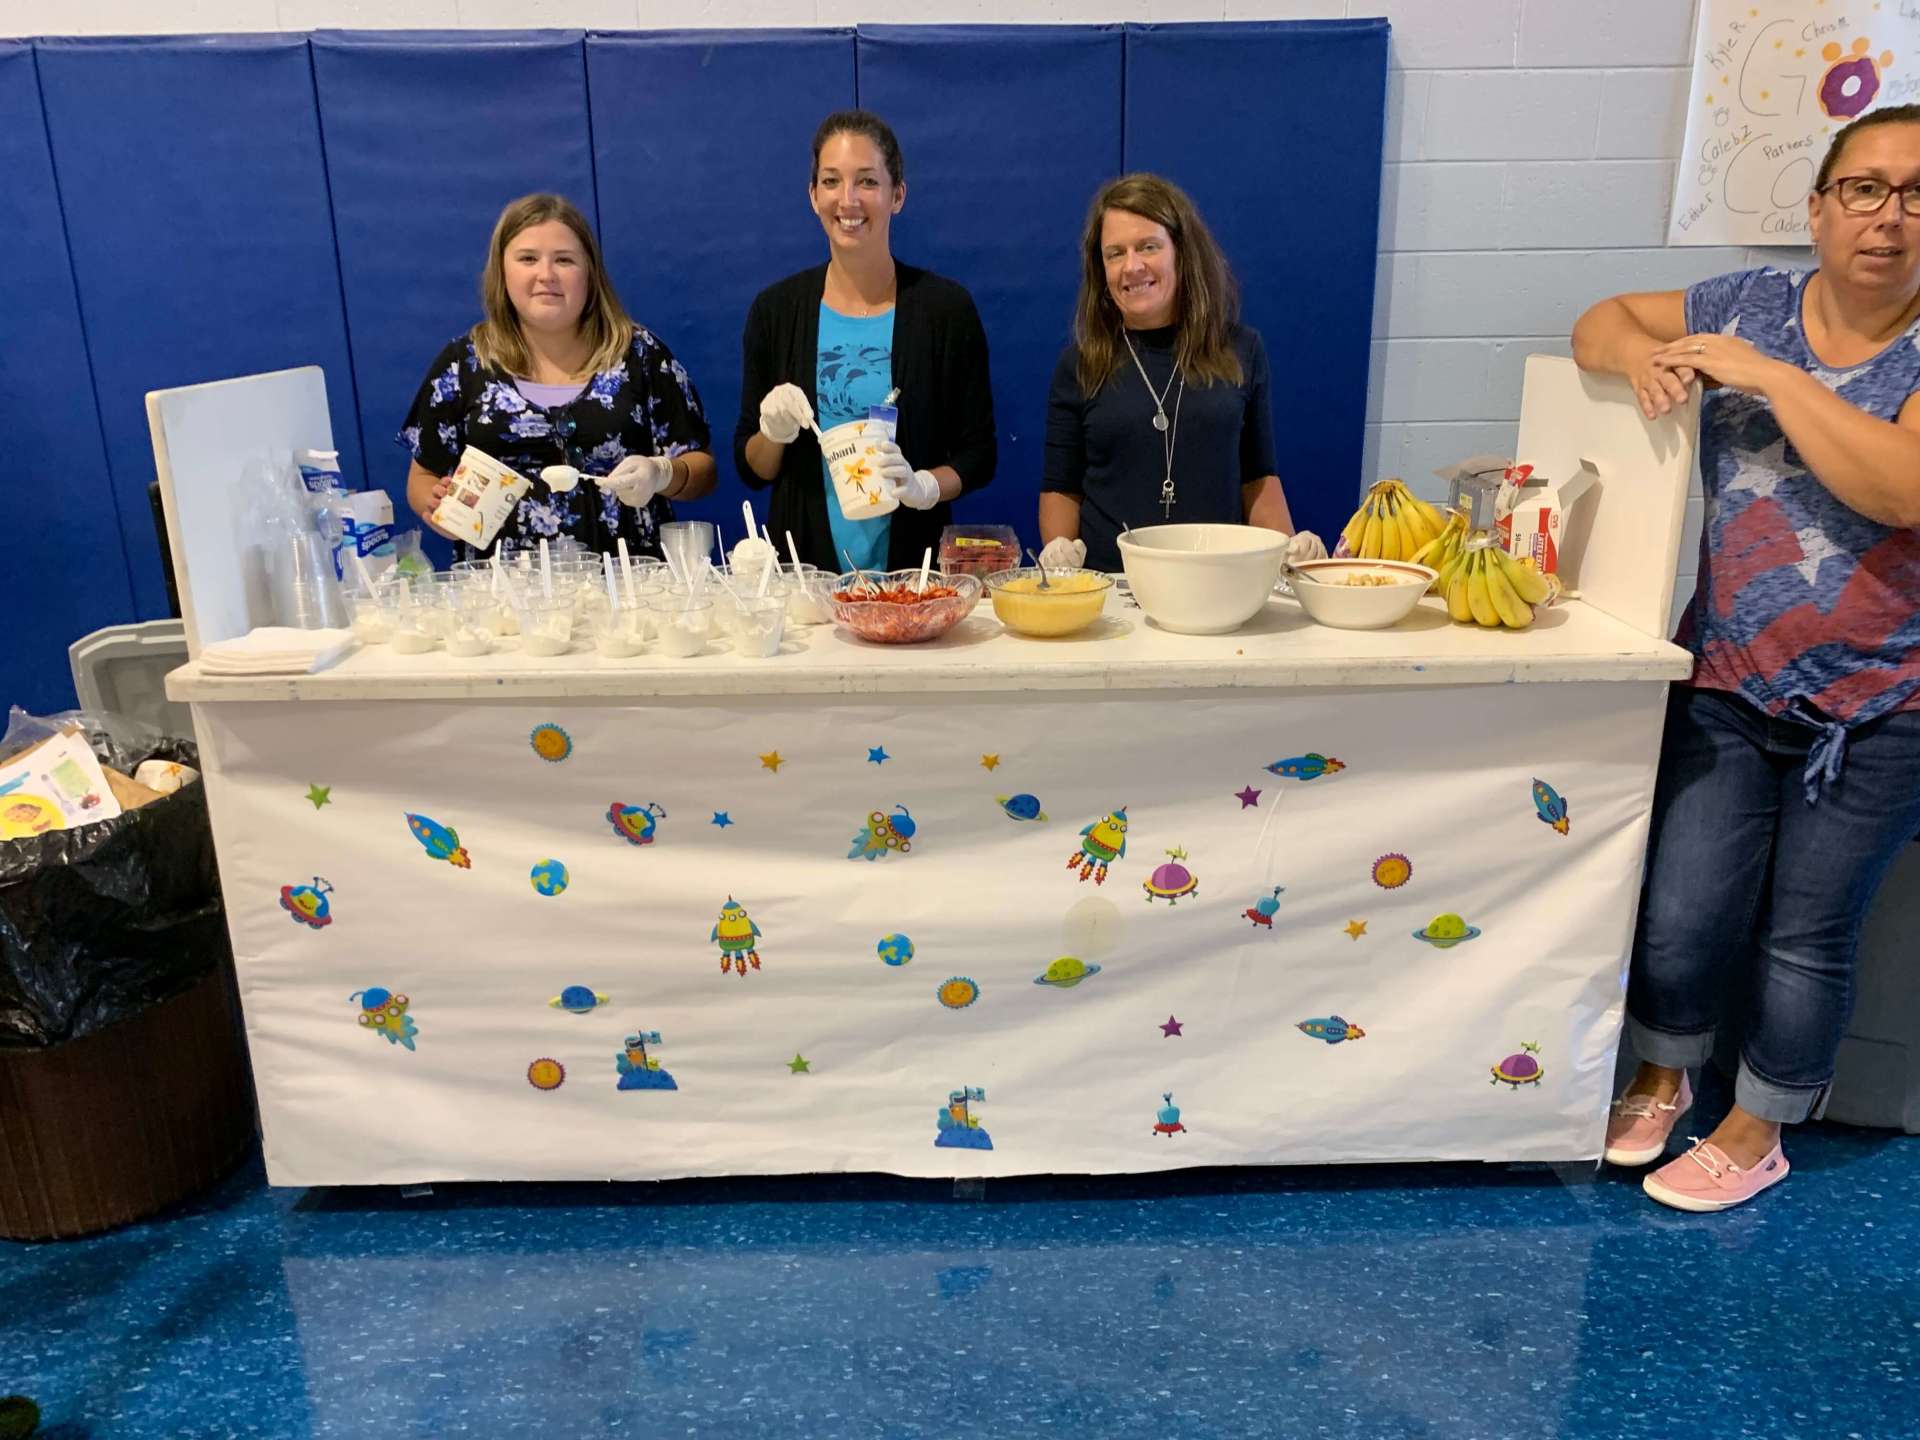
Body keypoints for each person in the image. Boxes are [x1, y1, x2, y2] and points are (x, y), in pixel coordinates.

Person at [1572, 105, 1920, 1212]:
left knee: (1806, 936)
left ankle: (1757, 1124)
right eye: (1864, 189)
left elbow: (1898, 488)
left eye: (1918, 196)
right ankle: (1666, 1071)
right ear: (1817, 208)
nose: (1889, 218)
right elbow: (1600, 320)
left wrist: (1773, 381)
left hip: (1878, 709)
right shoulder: (1747, 303)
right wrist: (1651, 362)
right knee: (1679, 907)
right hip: (1725, 677)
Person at [736, 110, 995, 574]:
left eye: (868, 182)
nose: (848, 200)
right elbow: (754, 468)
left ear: (898, 195)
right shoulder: (775, 311)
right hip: (806, 584)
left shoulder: (945, 310)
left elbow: (979, 455)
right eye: (831, 181)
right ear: (813, 195)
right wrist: (772, 433)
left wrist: (925, 487)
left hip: (916, 579)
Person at [401, 193, 715, 559]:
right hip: (502, 597)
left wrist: (663, 474)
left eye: (564, 260)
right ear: (502, 271)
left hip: (631, 588)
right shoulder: (464, 364)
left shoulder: (641, 356)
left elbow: (703, 471)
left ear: (590, 273)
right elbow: (421, 479)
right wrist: (437, 506)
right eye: (528, 258)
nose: (546, 275)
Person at [1039, 173, 1323, 573]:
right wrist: (1060, 552)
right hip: (1114, 590)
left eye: (1148, 247)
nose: (1132, 266)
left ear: (1181, 252)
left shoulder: (1241, 350)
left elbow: (1258, 478)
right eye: (1115, 253)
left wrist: (1287, 552)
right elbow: (1060, 488)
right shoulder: (1079, 365)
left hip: (1219, 579)